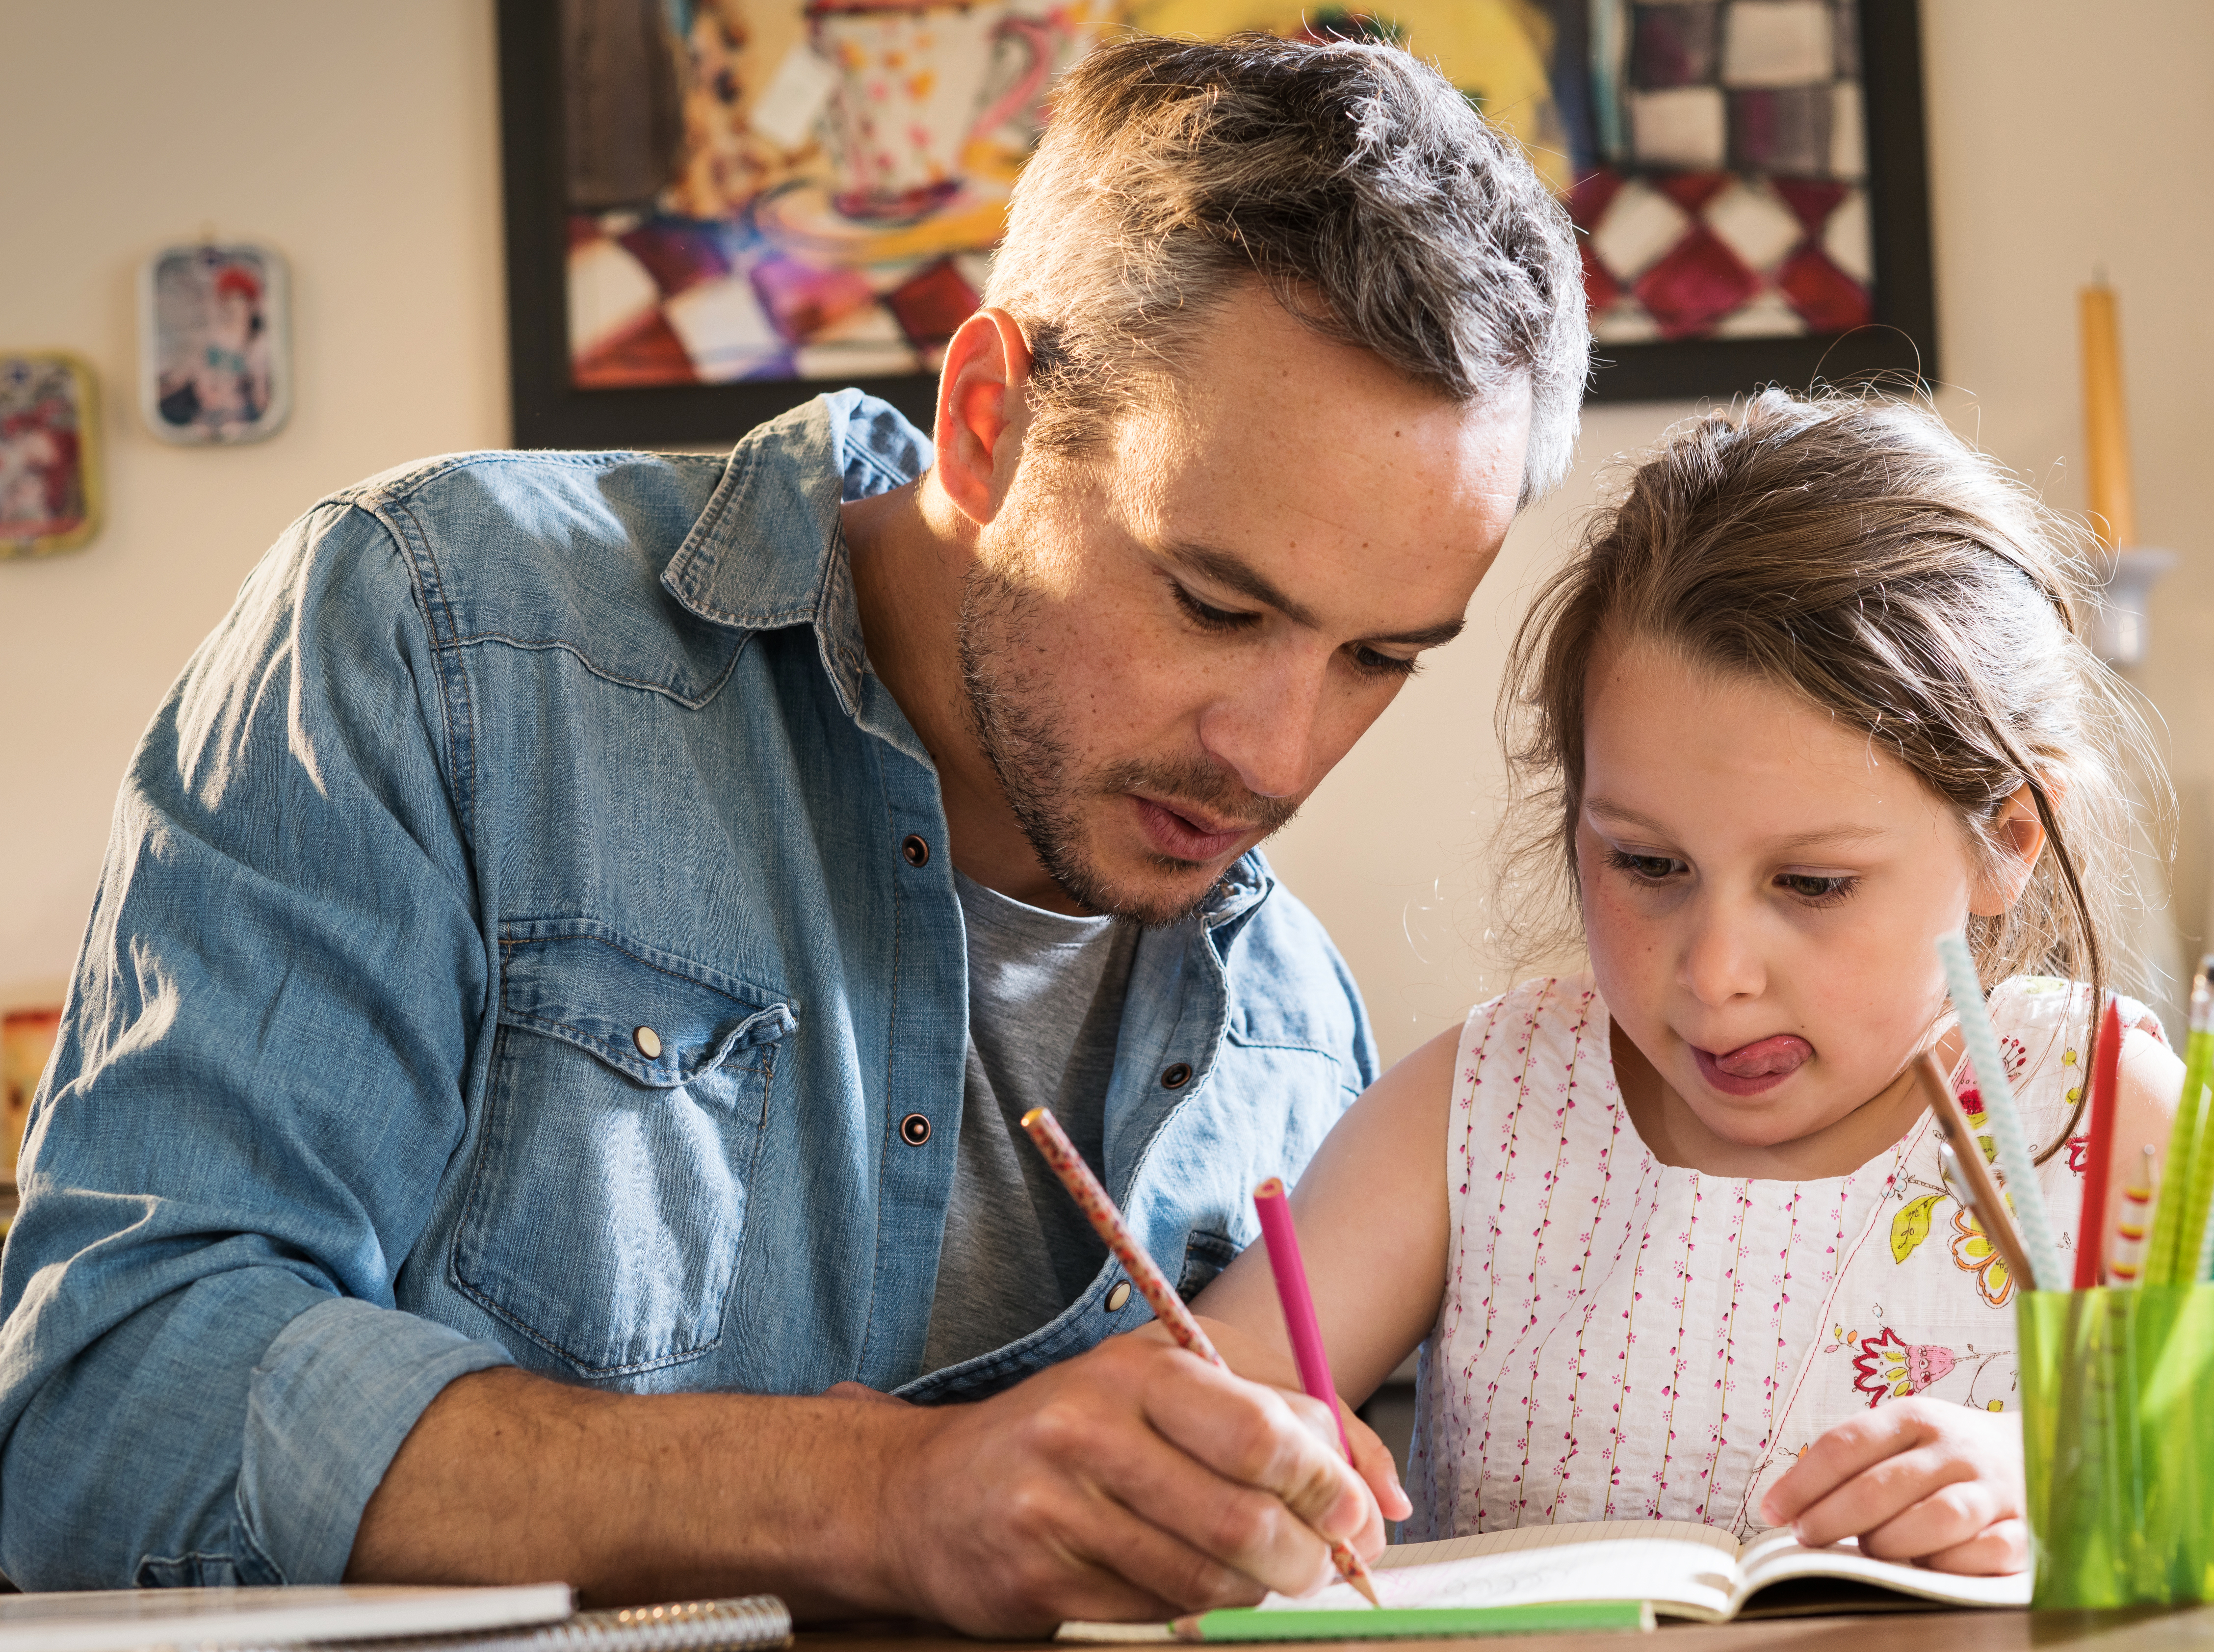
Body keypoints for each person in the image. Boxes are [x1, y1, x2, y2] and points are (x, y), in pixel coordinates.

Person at [0, 34, 1589, 1632]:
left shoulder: (1301, 1041)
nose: (1278, 754)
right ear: (987, 421)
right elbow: (112, 1402)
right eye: (1215, 603)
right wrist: (885, 1497)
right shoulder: (443, 630)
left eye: (1381, 657)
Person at [1188, 388, 2214, 1563]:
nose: (1719, 973)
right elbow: (1207, 1394)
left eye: (1812, 885)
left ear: (2006, 843)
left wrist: (2065, 1466)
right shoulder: (1478, 1106)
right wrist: (1241, 1457)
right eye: (1646, 863)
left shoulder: (2084, 1095)